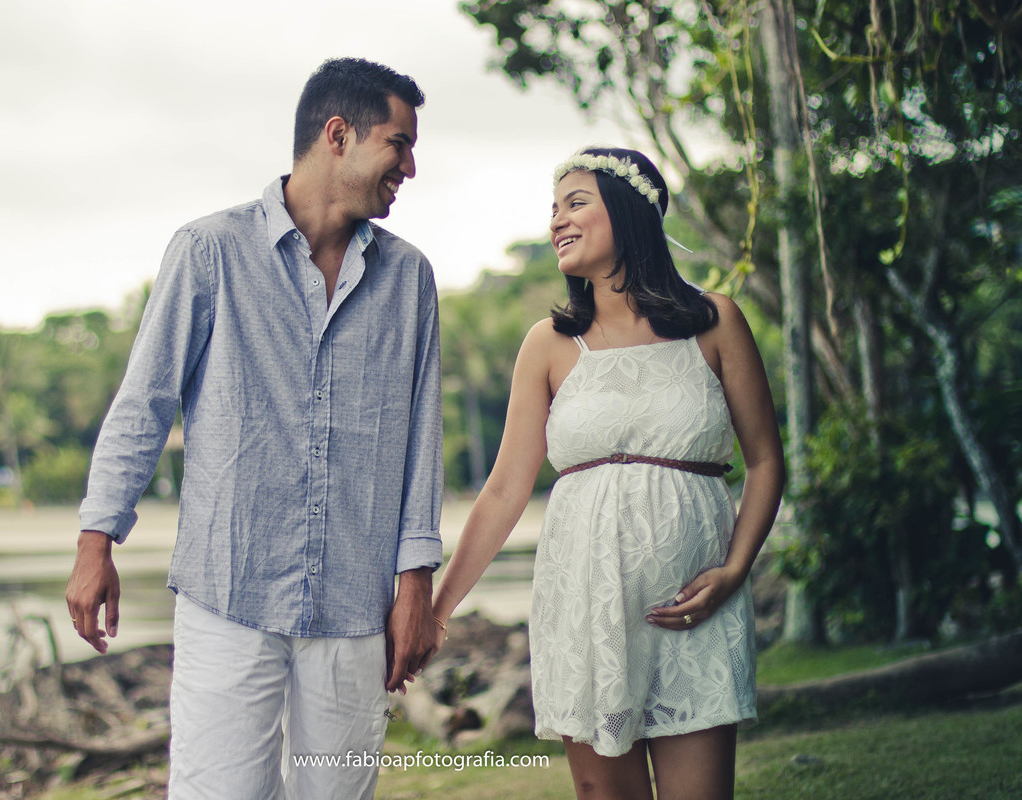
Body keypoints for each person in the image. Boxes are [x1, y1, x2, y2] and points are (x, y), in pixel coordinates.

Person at [65, 57, 444, 800]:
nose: (410, 166)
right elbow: (144, 404)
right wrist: (95, 541)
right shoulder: (209, 252)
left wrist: (415, 587)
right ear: (339, 134)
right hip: (227, 592)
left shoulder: (410, 280)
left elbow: (419, 446)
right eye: (399, 144)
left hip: (354, 607)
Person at [431, 146, 785, 800]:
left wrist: (735, 571)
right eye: (553, 210)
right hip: (582, 607)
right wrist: (440, 607)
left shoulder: (716, 322)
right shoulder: (548, 343)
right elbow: (507, 488)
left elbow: (765, 461)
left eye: (575, 203)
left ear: (628, 213)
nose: (556, 222)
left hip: (692, 612)